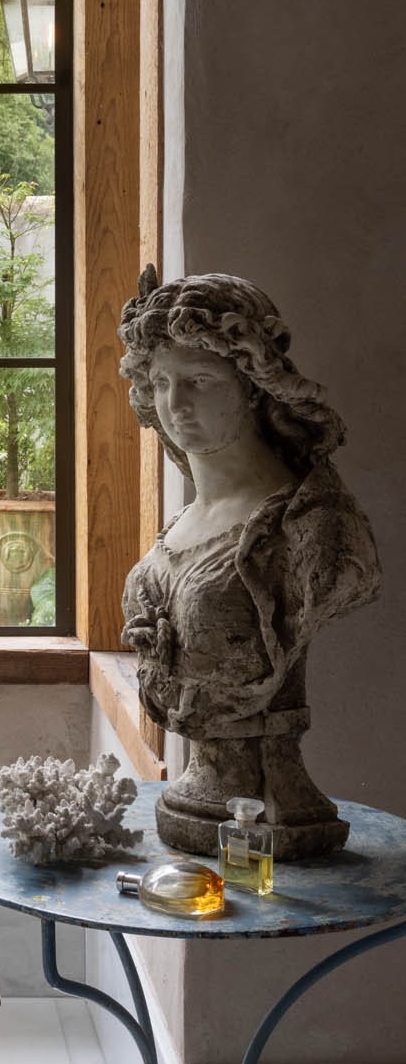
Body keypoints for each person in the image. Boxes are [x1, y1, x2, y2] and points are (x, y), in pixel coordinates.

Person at [119, 270, 379, 859]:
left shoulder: (313, 526)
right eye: (160, 381)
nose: (174, 403)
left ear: (254, 386)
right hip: (191, 799)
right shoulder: (188, 521)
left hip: (274, 813)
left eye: (200, 379)